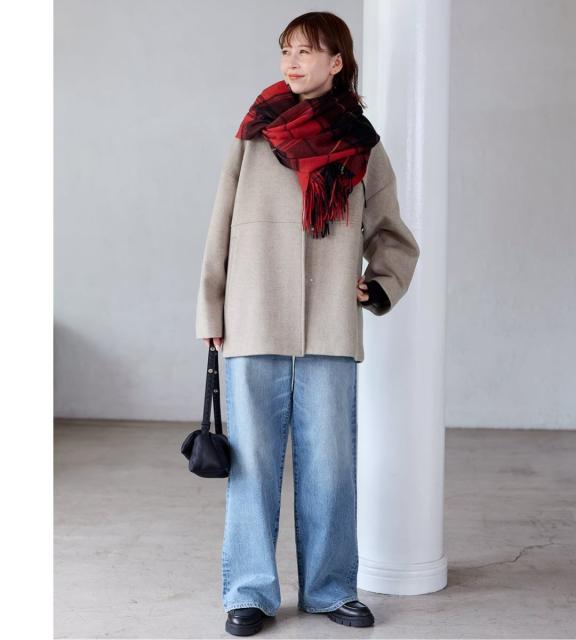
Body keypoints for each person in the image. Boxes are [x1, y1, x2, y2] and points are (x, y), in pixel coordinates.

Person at [195, 11, 420, 636]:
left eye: (306, 51)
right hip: (252, 316)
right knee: (252, 464)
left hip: (328, 323)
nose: (292, 62)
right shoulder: (255, 132)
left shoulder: (361, 144)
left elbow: (393, 234)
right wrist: (211, 307)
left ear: (336, 63)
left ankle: (330, 589)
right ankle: (248, 592)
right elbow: (220, 225)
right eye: (286, 50)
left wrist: (377, 283)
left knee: (330, 466)